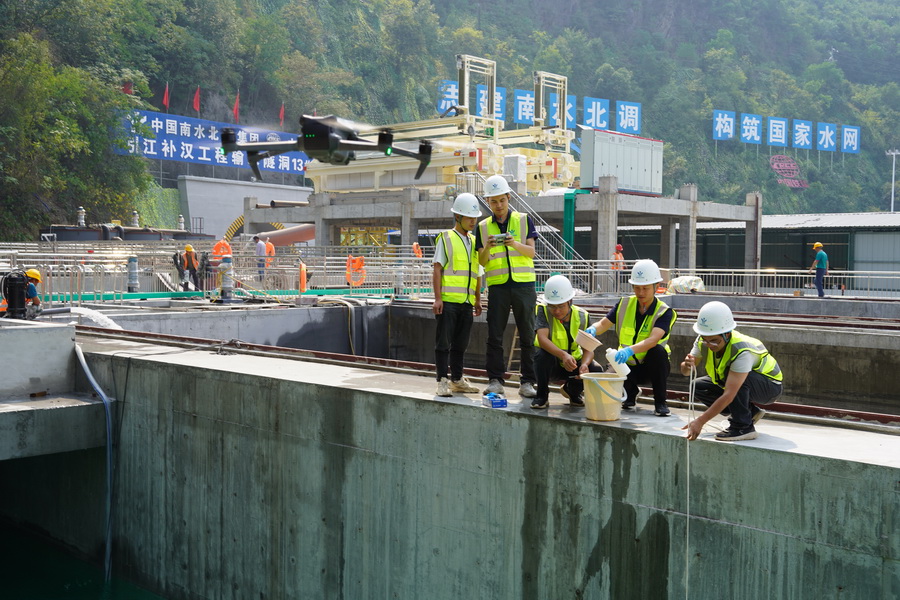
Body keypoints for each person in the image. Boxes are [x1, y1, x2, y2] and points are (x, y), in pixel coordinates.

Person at [585, 259, 676, 416]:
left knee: (658, 352)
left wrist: (628, 351)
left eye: (645, 288)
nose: (641, 293)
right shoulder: (624, 304)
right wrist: (593, 329)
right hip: (626, 365)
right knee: (609, 376)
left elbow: (653, 340)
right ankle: (630, 393)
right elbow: (604, 324)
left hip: (651, 367)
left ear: (656, 287)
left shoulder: (664, 311)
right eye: (637, 288)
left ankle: (660, 402)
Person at [681, 301, 783, 442]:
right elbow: (686, 372)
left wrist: (700, 421)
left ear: (727, 335)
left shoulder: (742, 351)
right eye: (706, 340)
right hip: (741, 381)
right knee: (697, 386)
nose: (709, 345)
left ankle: (743, 427)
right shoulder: (703, 340)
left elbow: (729, 394)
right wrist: (687, 365)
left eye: (714, 341)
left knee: (734, 379)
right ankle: (749, 413)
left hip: (769, 387)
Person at [476, 174, 538, 399]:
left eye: (502, 200)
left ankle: (528, 382)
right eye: (493, 201)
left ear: (509, 198)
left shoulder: (523, 219)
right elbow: (481, 261)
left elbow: (531, 252)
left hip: (524, 286)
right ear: (488, 202)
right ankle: (495, 380)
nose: (499, 205)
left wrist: (514, 244)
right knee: (495, 335)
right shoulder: (482, 227)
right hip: (498, 287)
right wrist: (488, 247)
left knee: (528, 334)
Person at [433, 193, 483, 397]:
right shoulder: (446, 238)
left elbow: (477, 273)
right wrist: (438, 298)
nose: (473, 221)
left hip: (467, 302)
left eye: (474, 218)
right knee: (443, 344)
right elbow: (437, 269)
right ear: (458, 217)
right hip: (448, 302)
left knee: (461, 344)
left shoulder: (475, 242)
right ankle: (442, 381)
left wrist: (478, 299)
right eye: (469, 217)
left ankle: (457, 379)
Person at [531, 275, 601, 409]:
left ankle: (573, 392)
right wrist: (563, 355)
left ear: (570, 301)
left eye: (561, 306)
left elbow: (589, 349)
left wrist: (584, 365)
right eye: (552, 306)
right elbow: (542, 339)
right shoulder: (543, 311)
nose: (556, 311)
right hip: (552, 364)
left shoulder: (582, 316)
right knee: (541, 356)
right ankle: (542, 396)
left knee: (595, 369)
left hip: (573, 363)